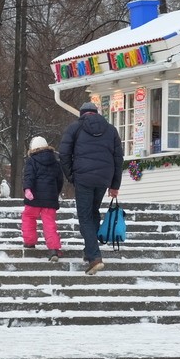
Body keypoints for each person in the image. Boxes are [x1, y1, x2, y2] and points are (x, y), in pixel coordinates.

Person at [59, 101, 123, 275]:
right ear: (96, 113)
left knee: (85, 216)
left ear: (82, 114)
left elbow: (64, 153)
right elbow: (118, 158)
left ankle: (95, 256)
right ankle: (89, 251)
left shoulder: (75, 128)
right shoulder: (111, 130)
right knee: (93, 212)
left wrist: (71, 175)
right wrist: (114, 184)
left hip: (83, 177)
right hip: (103, 178)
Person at [22, 136, 65, 261]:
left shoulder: (32, 161)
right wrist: (55, 193)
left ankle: (30, 241)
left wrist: (27, 189)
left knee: (29, 217)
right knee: (49, 223)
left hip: (34, 197)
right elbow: (59, 180)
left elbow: (29, 176)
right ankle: (53, 249)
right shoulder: (55, 162)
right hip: (50, 198)